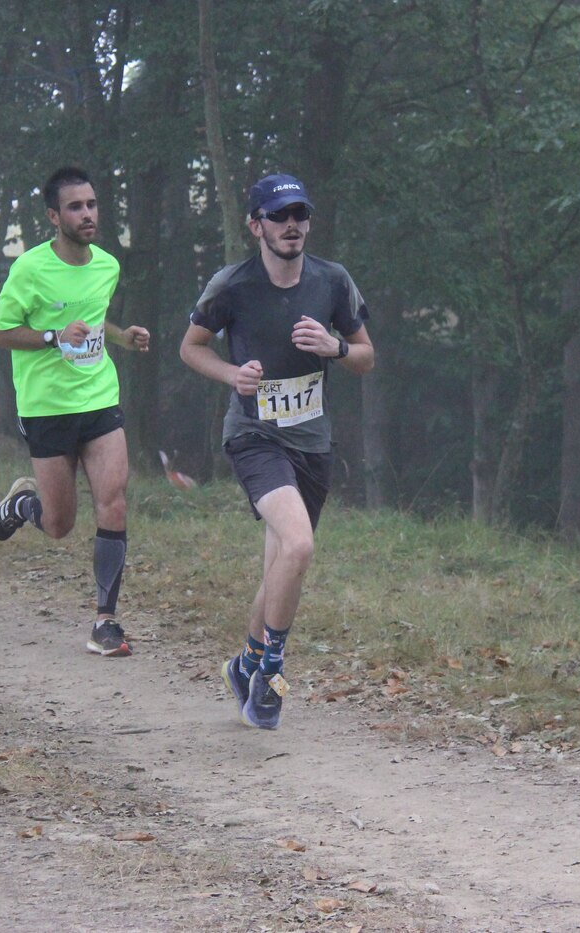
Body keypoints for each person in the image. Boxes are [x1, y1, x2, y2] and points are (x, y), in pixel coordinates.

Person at [180, 173, 374, 729]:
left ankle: (243, 664)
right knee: (299, 543)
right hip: (254, 435)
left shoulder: (333, 281)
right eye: (279, 215)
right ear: (255, 225)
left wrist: (336, 348)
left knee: (282, 565)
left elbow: (366, 356)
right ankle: (271, 670)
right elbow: (191, 348)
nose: (292, 225)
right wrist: (232, 374)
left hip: (312, 442)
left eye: (300, 215)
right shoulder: (232, 284)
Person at [0, 166, 151, 658]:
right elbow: (2, 332)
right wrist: (52, 337)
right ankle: (24, 505)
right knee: (59, 524)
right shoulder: (30, 269)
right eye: (75, 207)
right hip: (46, 406)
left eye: (92, 204)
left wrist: (122, 336)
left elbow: (93, 318)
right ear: (53, 217)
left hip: (98, 397)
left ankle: (106, 621)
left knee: (114, 501)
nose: (87, 214)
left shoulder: (107, 265)